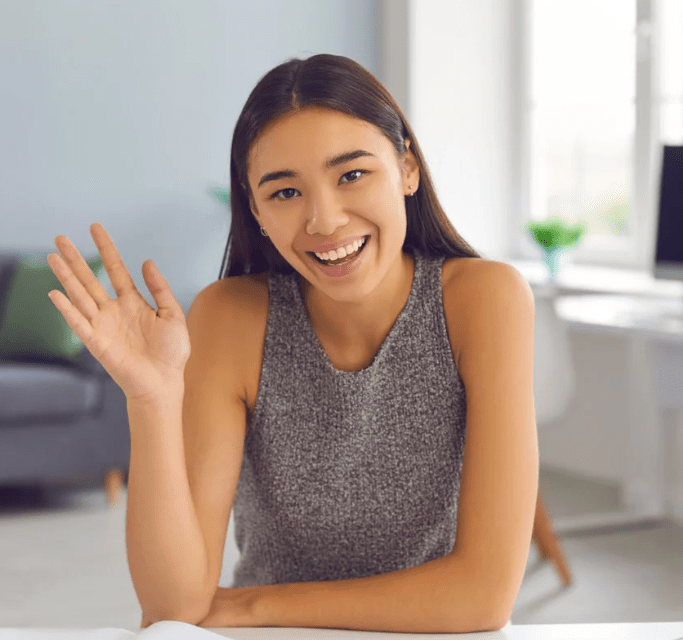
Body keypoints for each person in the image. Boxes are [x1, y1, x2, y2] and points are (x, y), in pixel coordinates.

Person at [47, 54, 538, 634]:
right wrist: (152, 399)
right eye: (284, 193)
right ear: (254, 210)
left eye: (352, 174)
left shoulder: (483, 300)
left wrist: (255, 606)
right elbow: (172, 607)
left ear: (407, 168)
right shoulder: (232, 317)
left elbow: (482, 598)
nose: (324, 220)